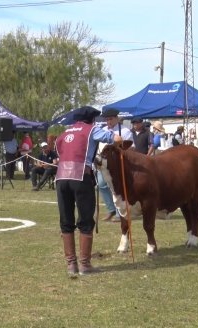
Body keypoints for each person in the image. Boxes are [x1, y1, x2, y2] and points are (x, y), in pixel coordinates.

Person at [55, 106, 122, 276]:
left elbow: (60, 152)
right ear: (91, 119)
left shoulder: (64, 134)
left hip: (61, 178)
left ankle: (71, 264)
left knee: (66, 219)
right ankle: (84, 264)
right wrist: (117, 138)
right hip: (81, 177)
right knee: (85, 219)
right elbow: (114, 138)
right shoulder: (91, 129)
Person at [97, 109, 133, 223]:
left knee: (117, 188)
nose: (109, 121)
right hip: (103, 165)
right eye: (107, 119)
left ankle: (119, 212)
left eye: (111, 119)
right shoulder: (102, 131)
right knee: (101, 184)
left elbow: (131, 148)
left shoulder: (125, 131)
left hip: (118, 165)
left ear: (117, 118)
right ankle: (111, 209)